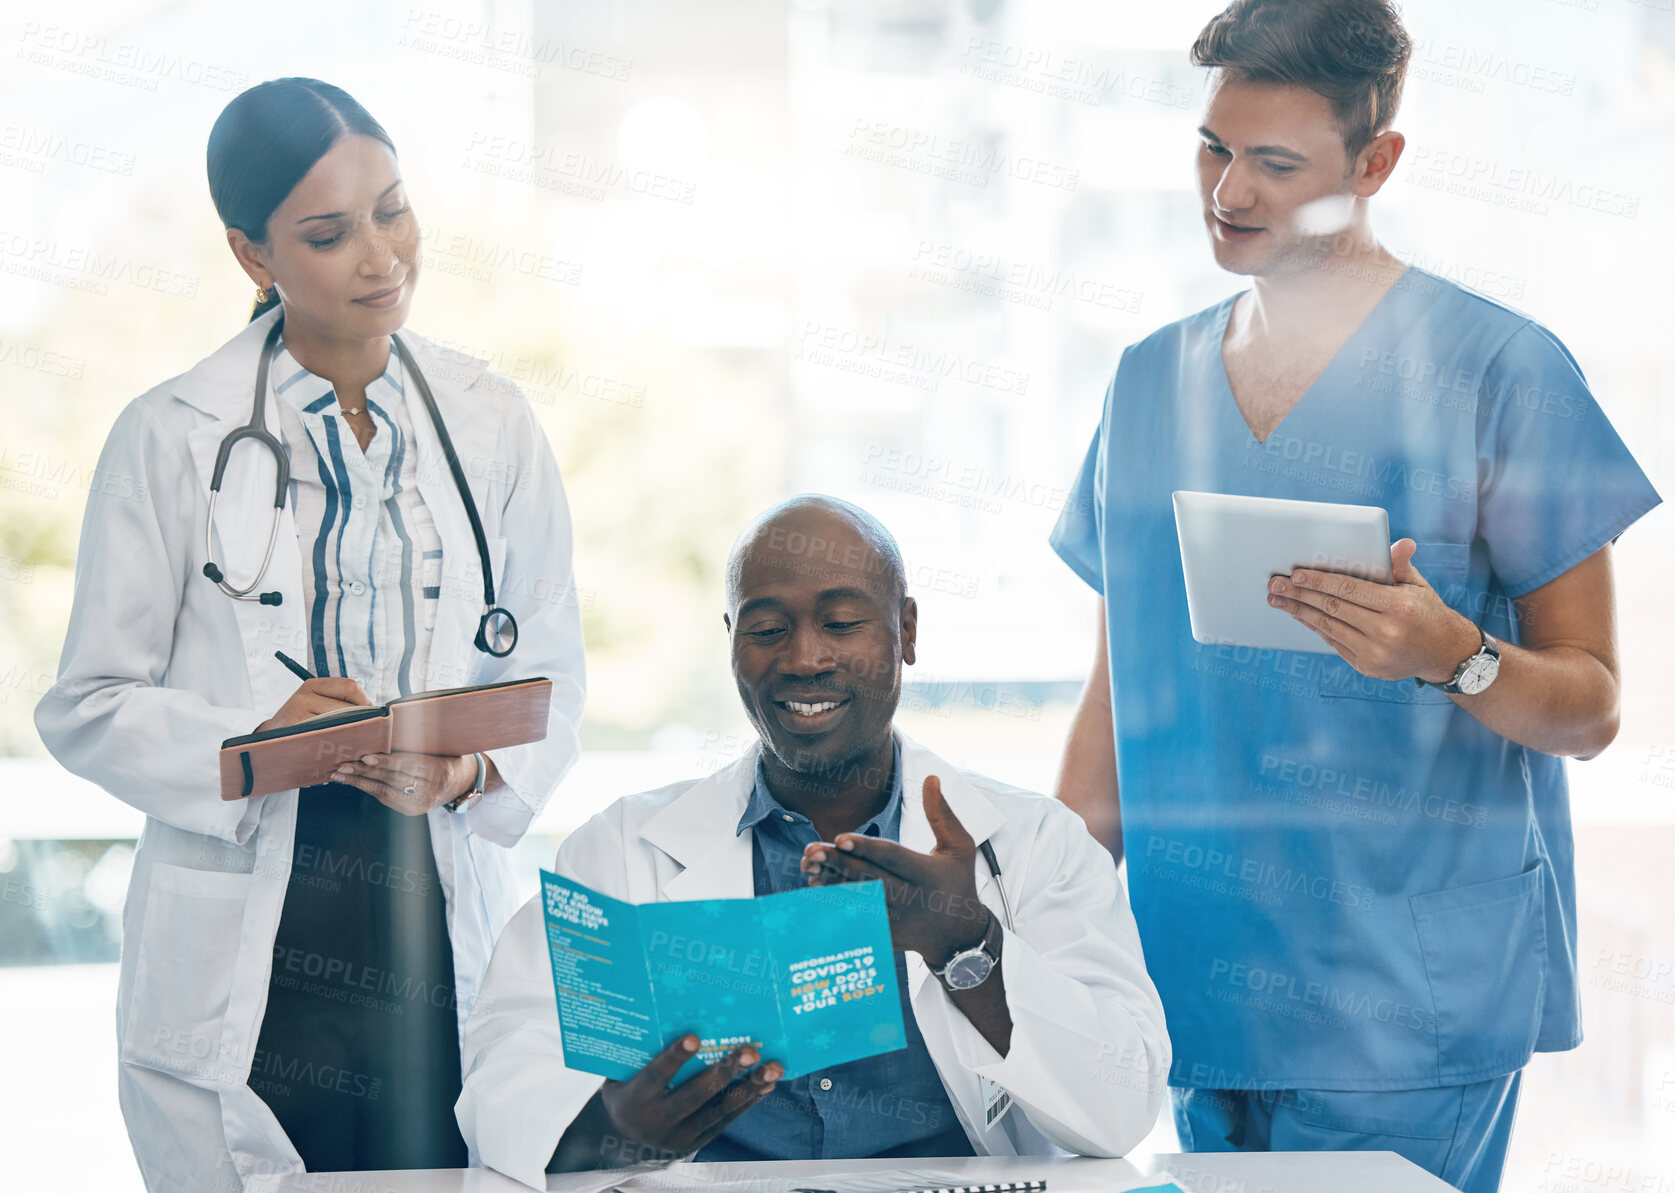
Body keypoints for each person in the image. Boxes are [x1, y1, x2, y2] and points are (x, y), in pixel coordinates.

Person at [1048, 3, 1662, 1191]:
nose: (1230, 191)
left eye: (1276, 164)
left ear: (1374, 164)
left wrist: (1454, 654)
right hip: (1196, 989)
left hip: (1407, 1008)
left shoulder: (1499, 371)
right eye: (1213, 148)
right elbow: (1114, 707)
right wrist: (1026, 912)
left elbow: (1588, 709)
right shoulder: (1145, 384)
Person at [34, 78, 587, 1191]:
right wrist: (253, 732)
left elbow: (551, 672)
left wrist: (474, 764)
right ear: (253, 256)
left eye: (393, 209)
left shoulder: (492, 424)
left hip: (435, 912)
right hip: (255, 928)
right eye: (329, 235)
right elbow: (87, 701)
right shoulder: (169, 435)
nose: (382, 255)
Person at [454, 496, 1169, 1188]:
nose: (804, 657)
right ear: (729, 640)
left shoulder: (1033, 845)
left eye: (841, 621)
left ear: (906, 631)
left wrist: (968, 945)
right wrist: (608, 1127)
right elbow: (503, 1084)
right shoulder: (618, 850)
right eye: (766, 628)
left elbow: (1120, 1108)